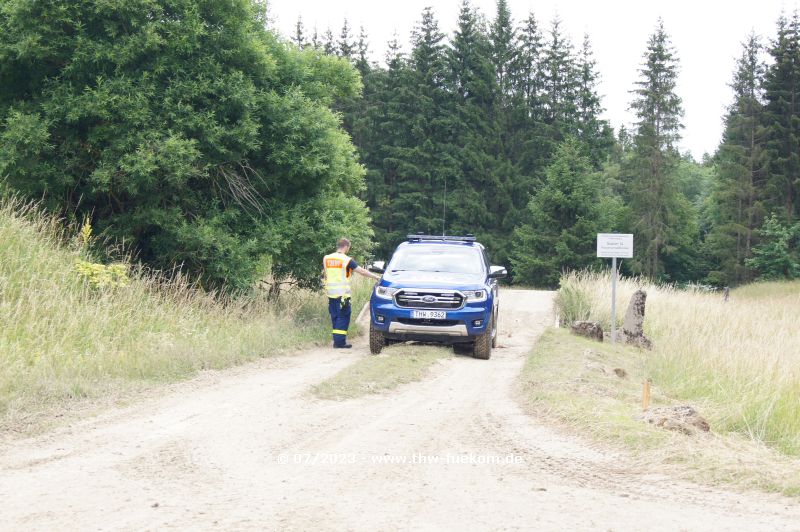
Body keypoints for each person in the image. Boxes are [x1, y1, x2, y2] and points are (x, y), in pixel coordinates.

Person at [323, 238, 381, 348]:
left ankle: (337, 341)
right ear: (346, 247)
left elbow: (326, 274)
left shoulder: (326, 258)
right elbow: (362, 271)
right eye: (349, 247)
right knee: (344, 316)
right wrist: (376, 277)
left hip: (331, 293)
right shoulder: (346, 260)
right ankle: (339, 343)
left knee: (335, 316)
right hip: (343, 294)